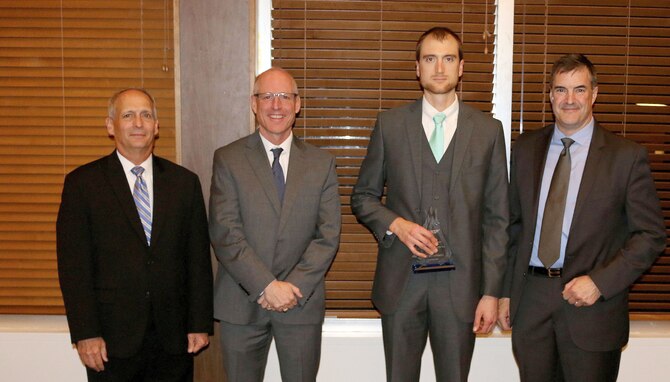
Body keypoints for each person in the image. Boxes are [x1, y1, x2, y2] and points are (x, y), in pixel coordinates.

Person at [351, 27, 509, 381]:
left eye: (449, 58)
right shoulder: (390, 125)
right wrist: (397, 225)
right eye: (430, 59)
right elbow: (362, 197)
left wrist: (491, 292)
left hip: (461, 289)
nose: (440, 68)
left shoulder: (488, 131)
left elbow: (498, 218)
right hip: (401, 284)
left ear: (462, 67)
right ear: (417, 68)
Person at [498, 54, 666, 381]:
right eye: (561, 90)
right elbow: (513, 226)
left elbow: (651, 236)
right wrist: (506, 291)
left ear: (594, 93)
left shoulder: (625, 156)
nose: (569, 99)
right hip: (531, 302)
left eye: (579, 89)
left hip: (592, 308)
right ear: (550, 95)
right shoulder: (526, 148)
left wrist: (600, 283)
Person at [56, 88, 213, 381]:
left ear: (156, 126)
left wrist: (199, 322)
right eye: (128, 115)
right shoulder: (83, 184)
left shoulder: (184, 183)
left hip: (174, 336)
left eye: (146, 115)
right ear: (110, 125)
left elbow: (198, 260)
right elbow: (74, 267)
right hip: (111, 339)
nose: (138, 123)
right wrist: (86, 333)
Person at [209, 67, 341, 382]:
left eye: (284, 97)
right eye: (267, 96)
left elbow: (328, 236)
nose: (276, 105)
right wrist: (267, 286)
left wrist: (290, 288)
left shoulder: (322, 164)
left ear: (298, 104)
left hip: (301, 303)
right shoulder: (228, 159)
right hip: (241, 305)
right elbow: (225, 233)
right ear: (254, 104)